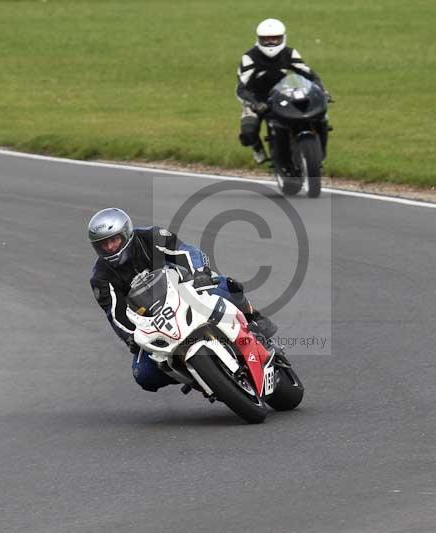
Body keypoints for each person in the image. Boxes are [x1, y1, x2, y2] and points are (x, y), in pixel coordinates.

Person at [88, 207, 278, 392]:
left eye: (114, 240)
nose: (110, 247)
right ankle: (196, 376)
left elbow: (187, 252)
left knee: (226, 286)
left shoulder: (151, 236)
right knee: (144, 375)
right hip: (152, 321)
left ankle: (253, 317)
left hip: (183, 289)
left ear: (126, 234)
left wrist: (200, 274)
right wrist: (131, 337)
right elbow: (115, 314)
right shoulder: (100, 278)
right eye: (103, 244)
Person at [236, 18, 329, 164]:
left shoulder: (289, 53)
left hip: (282, 94)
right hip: (256, 98)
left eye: (275, 39)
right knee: (248, 131)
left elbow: (310, 74)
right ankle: (257, 148)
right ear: (259, 39)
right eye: (266, 39)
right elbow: (241, 88)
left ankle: (318, 152)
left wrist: (322, 91)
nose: (271, 43)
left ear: (283, 38)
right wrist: (254, 104)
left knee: (320, 117)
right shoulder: (249, 57)